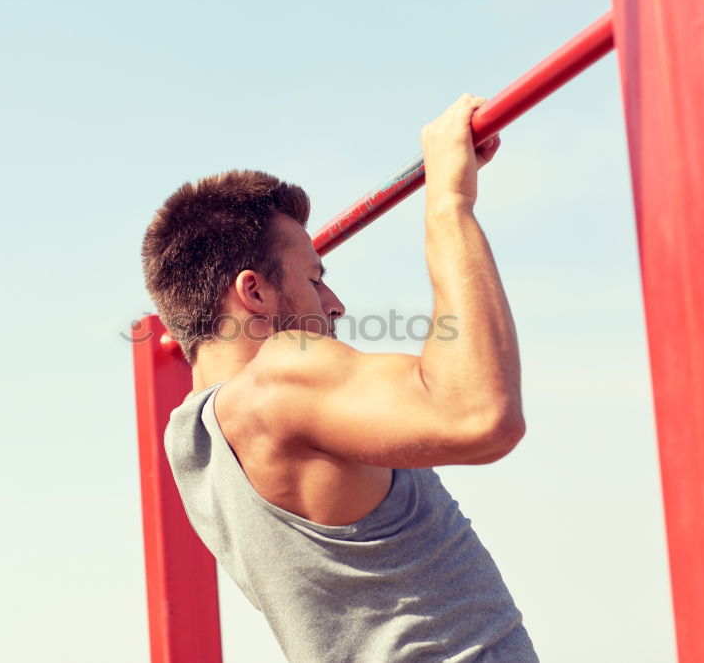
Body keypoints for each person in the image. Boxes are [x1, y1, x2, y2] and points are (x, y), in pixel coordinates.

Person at [141, 94, 538, 662]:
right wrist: (450, 202)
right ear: (252, 291)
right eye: (315, 277)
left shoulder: (190, 442)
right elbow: (480, 414)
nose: (336, 303)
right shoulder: (277, 380)